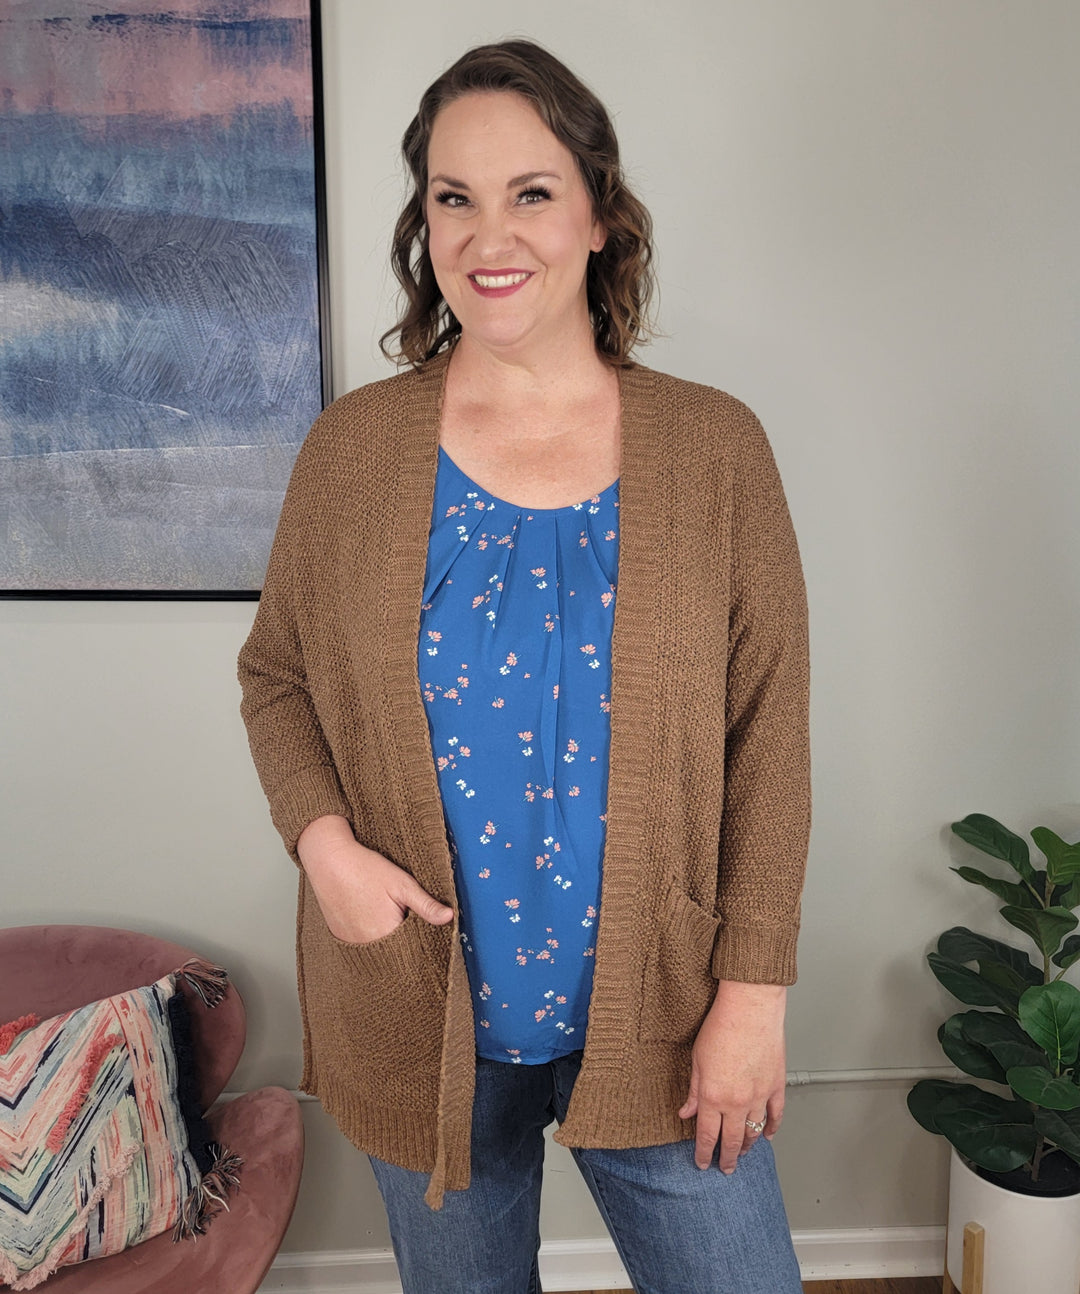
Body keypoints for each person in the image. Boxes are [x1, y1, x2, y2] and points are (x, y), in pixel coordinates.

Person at [238, 37, 810, 1294]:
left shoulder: (717, 450)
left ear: (600, 216)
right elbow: (276, 676)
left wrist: (755, 993)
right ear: (425, 222)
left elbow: (768, 737)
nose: (488, 236)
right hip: (417, 1001)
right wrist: (325, 850)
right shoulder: (352, 451)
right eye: (455, 197)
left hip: (663, 1005)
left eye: (532, 193)